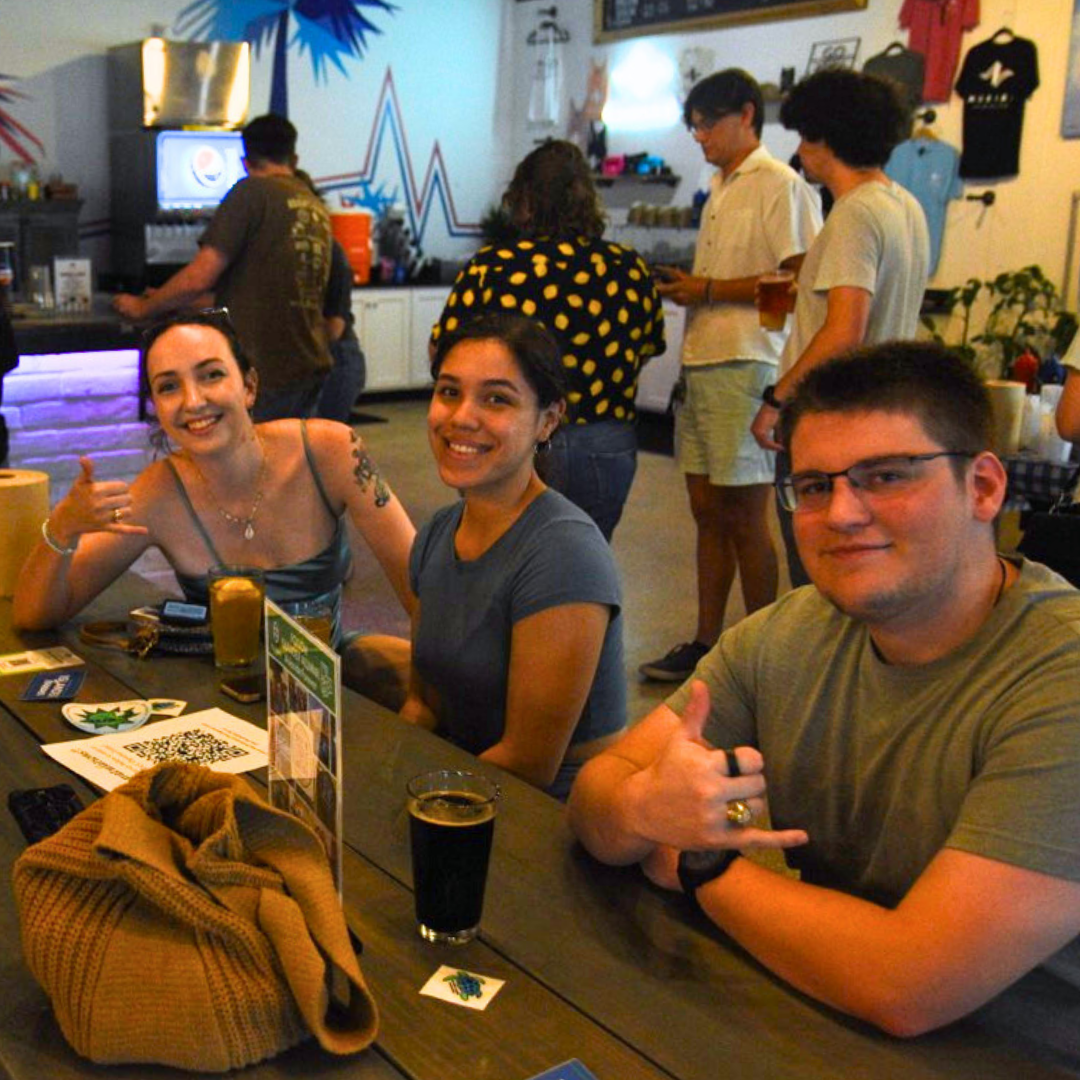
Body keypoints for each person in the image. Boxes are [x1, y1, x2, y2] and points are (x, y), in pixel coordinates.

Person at [569, 341, 1080, 1042]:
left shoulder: (1061, 678)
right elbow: (598, 795)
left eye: (887, 476)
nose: (841, 513)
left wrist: (701, 860)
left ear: (985, 488)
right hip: (820, 1015)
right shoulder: (787, 634)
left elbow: (907, 985)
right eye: (814, 486)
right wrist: (640, 805)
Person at [12, 309, 414, 646]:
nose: (193, 402)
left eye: (211, 375)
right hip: (228, 696)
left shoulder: (331, 451)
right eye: (170, 386)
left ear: (249, 386)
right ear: (157, 408)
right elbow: (34, 615)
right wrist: (63, 528)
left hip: (327, 687)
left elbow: (422, 593)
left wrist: (421, 697)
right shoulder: (158, 493)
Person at [639, 69, 821, 683]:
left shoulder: (780, 185)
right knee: (706, 510)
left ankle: (762, 653)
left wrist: (709, 289)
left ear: (746, 115)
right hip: (705, 358)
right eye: (693, 126)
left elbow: (797, 281)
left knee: (746, 513)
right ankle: (708, 641)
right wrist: (694, 291)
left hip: (747, 360)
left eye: (707, 123)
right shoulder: (719, 185)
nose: (699, 137)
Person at [404, 313, 626, 799]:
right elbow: (424, 704)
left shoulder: (564, 551)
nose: (462, 417)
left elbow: (528, 763)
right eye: (448, 391)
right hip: (462, 779)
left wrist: (413, 798)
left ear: (547, 420)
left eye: (497, 399)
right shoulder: (439, 532)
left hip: (550, 817)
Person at [430, 139, 665, 541]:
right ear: (587, 200)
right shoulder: (629, 267)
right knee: (586, 556)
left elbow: (445, 354)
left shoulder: (493, 266)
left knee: (504, 555)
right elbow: (647, 347)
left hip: (516, 434)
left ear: (523, 200)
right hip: (605, 438)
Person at [749, 69, 930, 586]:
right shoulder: (904, 205)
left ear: (820, 138)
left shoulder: (854, 214)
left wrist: (777, 400)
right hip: (884, 411)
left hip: (836, 417)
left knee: (824, 574)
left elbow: (843, 329)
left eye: (804, 134)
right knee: (869, 568)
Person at [114, 115, 333, 422]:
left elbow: (199, 277)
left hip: (265, 368)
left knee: (248, 465)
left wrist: (143, 307)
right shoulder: (314, 204)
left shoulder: (251, 192)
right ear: (293, 158)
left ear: (245, 161)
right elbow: (264, 292)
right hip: (307, 363)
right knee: (289, 462)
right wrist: (165, 296)